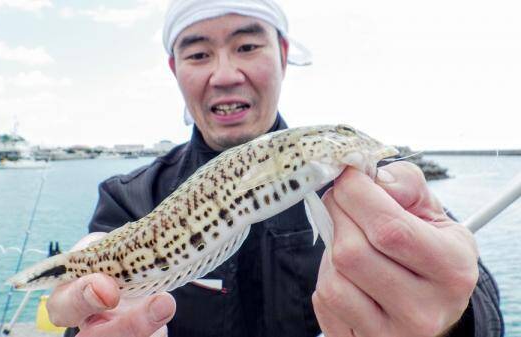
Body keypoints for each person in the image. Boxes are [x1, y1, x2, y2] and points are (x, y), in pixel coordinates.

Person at [48, 0, 504, 336]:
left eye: (247, 45)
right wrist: (84, 315)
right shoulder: (127, 197)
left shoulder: (366, 181)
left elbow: (478, 295)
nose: (225, 74)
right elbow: (83, 314)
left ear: (283, 55)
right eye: (198, 53)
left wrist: (451, 319)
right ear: (174, 68)